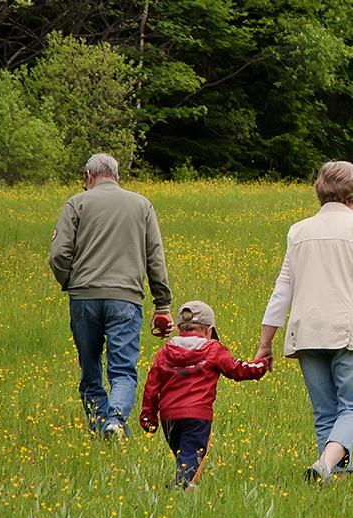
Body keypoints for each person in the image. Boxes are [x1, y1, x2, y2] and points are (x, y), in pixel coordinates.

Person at [254, 160, 353, 483]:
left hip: (306, 335)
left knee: (325, 413)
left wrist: (266, 342)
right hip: (350, 334)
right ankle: (324, 468)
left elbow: (282, 291)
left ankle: (333, 479)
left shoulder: (298, 231)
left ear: (319, 190)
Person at [49, 153, 174, 439]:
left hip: (83, 299)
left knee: (90, 368)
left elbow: (59, 255)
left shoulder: (76, 204)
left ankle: (99, 426)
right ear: (117, 176)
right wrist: (162, 305)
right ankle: (116, 421)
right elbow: (155, 258)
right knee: (122, 371)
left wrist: (71, 281)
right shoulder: (141, 205)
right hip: (126, 299)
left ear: (89, 177)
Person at [140, 301, 269, 488]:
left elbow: (152, 386)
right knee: (192, 454)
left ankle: (183, 484)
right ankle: (182, 486)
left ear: (177, 328)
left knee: (183, 454)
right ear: (208, 330)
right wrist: (261, 365)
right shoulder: (212, 349)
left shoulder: (165, 352)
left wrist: (148, 414)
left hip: (168, 417)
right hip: (197, 415)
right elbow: (236, 369)